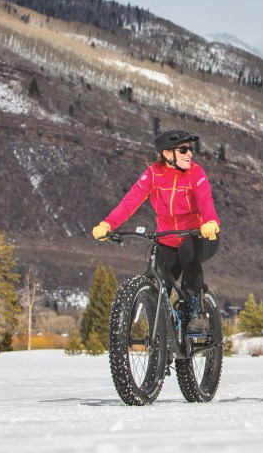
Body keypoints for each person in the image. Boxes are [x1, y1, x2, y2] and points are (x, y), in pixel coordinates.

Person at [92, 129, 220, 332]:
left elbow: (205, 200)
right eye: (184, 149)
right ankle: (162, 336)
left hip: (201, 235)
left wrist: (211, 222)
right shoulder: (153, 174)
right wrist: (108, 224)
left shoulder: (196, 173)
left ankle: (197, 311)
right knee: (159, 281)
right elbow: (130, 201)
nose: (190, 154)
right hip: (167, 239)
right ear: (168, 154)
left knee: (188, 252)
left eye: (190, 149)